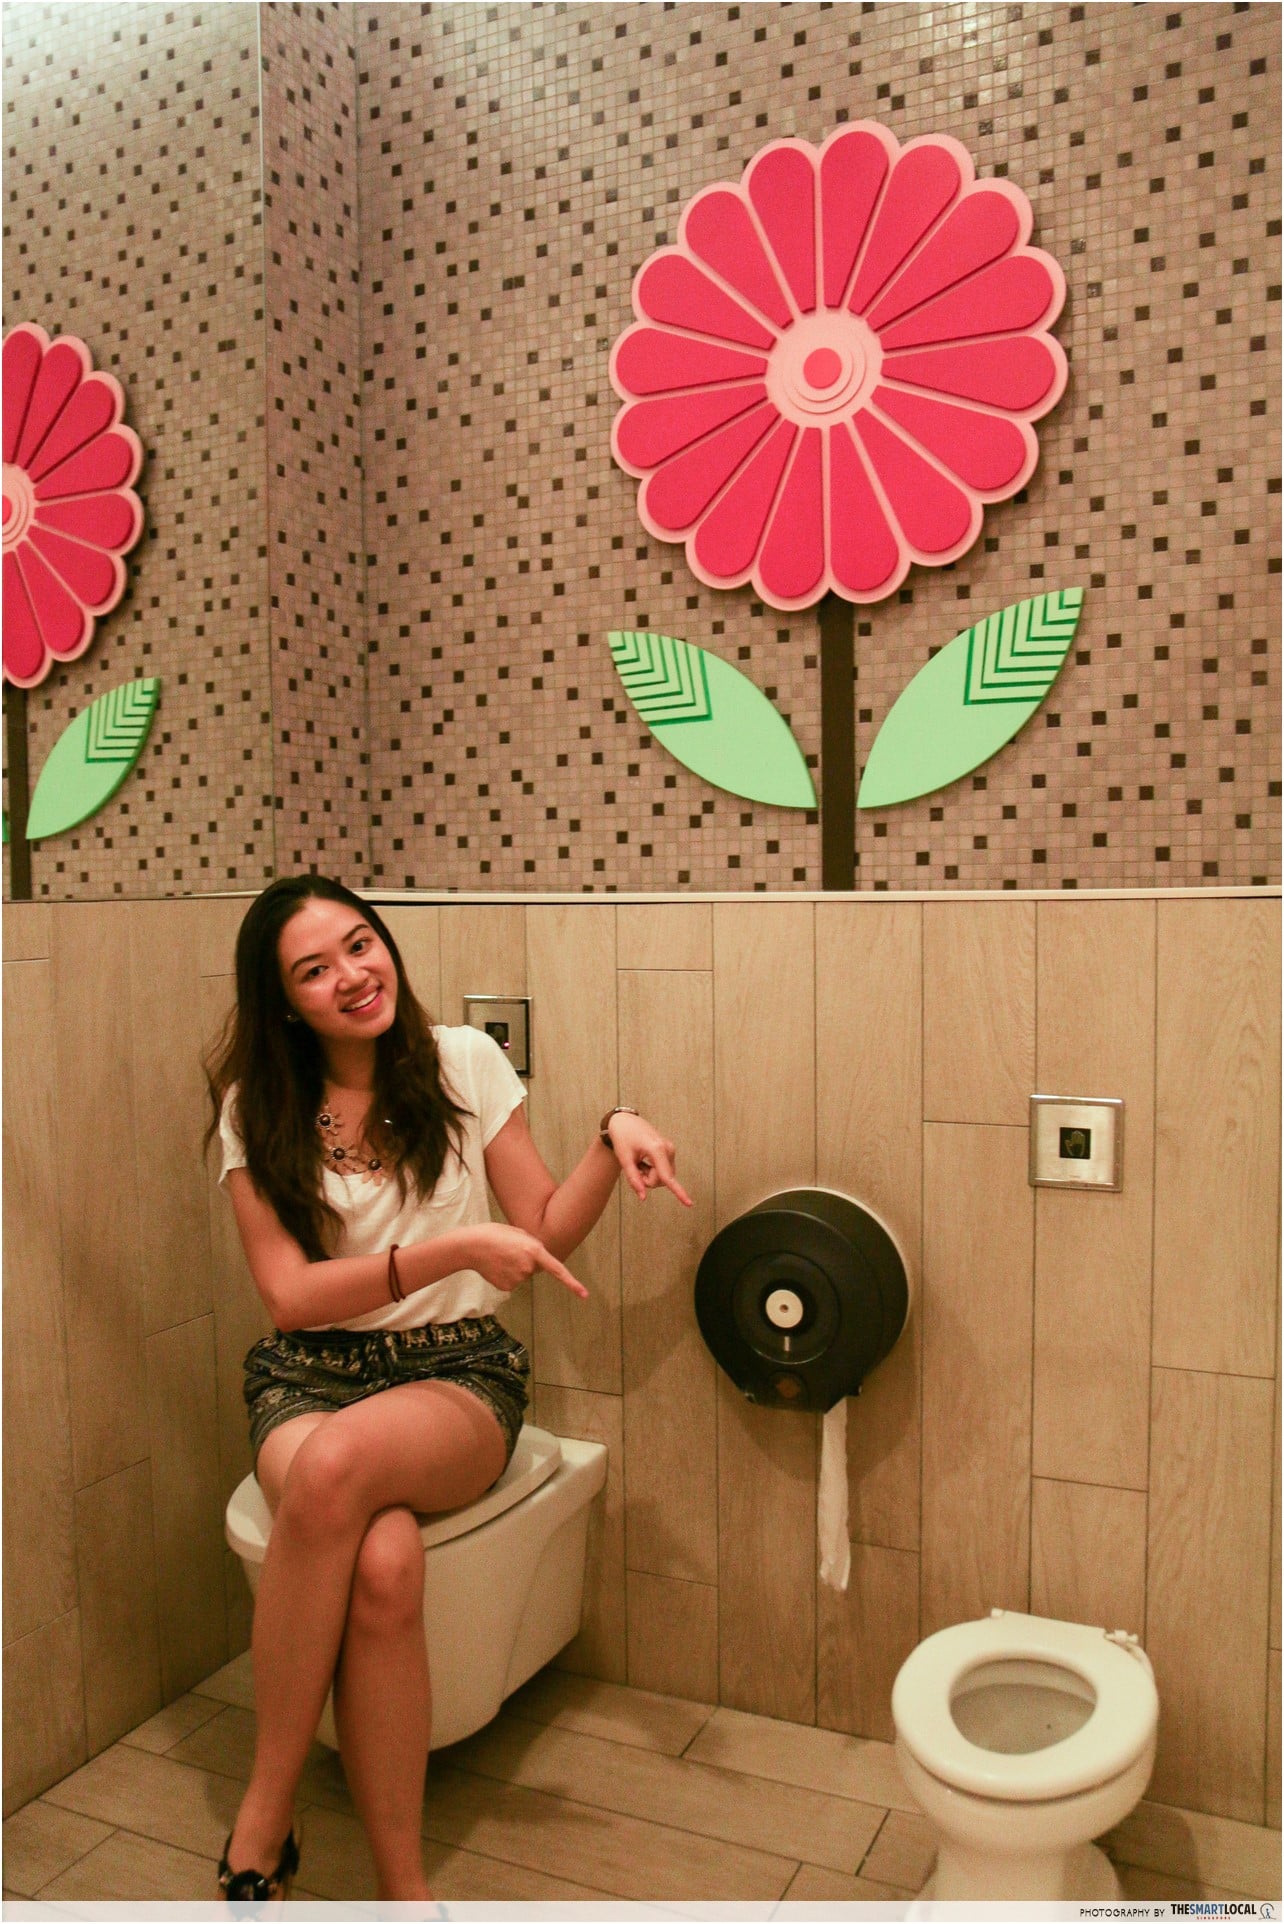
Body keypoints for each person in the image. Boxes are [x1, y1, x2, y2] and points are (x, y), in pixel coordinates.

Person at [205, 874, 692, 1903]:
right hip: (308, 1374)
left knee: (335, 1470)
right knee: (382, 1561)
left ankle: (263, 1818)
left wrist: (612, 1136)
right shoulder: (260, 1107)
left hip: (454, 1372)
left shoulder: (465, 1061)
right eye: (314, 969)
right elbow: (289, 1297)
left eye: (360, 943)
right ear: (282, 1001)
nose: (352, 975)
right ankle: (403, 1886)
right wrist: (453, 1249)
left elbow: (542, 1227)